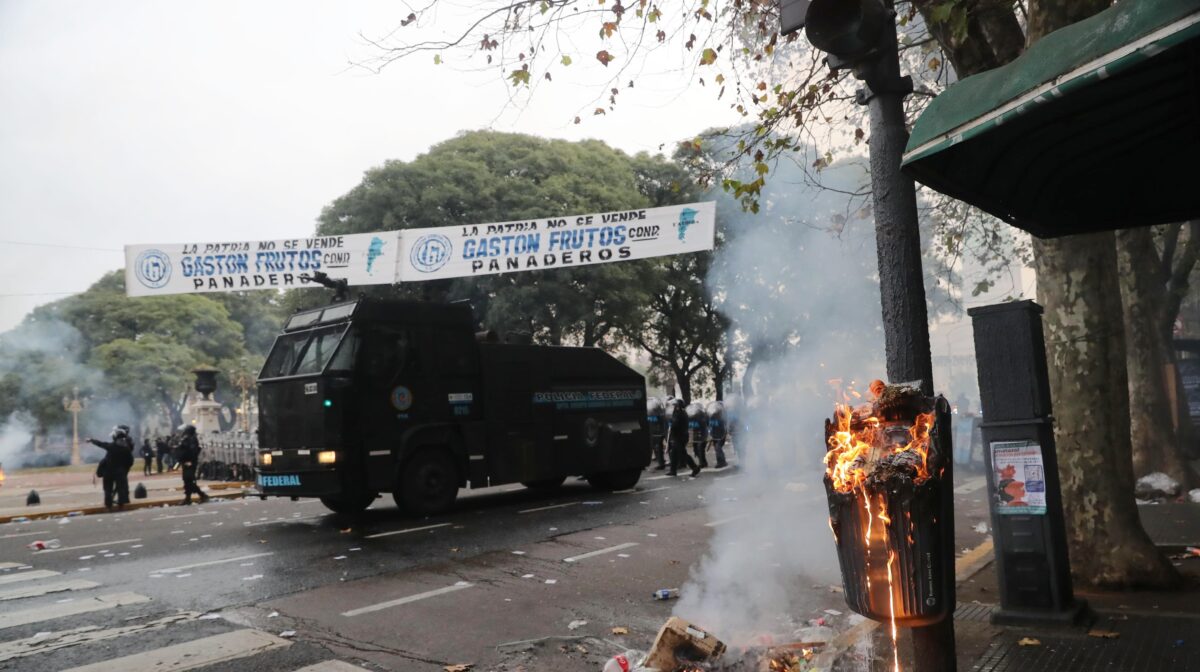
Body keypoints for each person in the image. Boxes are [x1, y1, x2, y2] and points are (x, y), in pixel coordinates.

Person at [88, 425, 135, 510]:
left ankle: (108, 505)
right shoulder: (126, 449)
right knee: (121, 488)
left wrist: (91, 440)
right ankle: (121, 505)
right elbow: (130, 461)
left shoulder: (111, 446)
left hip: (108, 472)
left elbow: (101, 444)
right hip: (120, 472)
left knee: (108, 489)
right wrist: (124, 469)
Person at [667, 399, 701, 478]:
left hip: (680, 437)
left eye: (675, 406)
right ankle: (673, 470)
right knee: (674, 453)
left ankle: (695, 467)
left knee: (682, 454)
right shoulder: (680, 413)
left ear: (678, 406)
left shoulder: (680, 414)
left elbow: (675, 424)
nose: (674, 407)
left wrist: (671, 422)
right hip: (679, 436)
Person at [176, 425, 210, 504]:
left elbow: (192, 452)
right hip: (185, 462)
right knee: (187, 481)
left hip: (190, 463)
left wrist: (189, 460)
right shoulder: (186, 439)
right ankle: (190, 498)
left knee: (189, 481)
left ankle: (201, 495)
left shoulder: (192, 440)